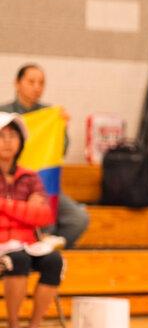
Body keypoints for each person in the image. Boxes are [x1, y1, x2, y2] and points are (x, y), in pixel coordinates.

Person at [3, 64, 90, 247]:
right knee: (37, 219)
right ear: (17, 83)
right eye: (31, 81)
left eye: (41, 83)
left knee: (78, 218)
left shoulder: (50, 113)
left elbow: (60, 152)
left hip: (42, 181)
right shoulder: (4, 114)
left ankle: (46, 246)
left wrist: (62, 129)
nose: (37, 87)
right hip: (11, 181)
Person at [0, 113, 65, 328]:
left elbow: (44, 216)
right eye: (2, 136)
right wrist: (26, 208)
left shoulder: (29, 176)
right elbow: (31, 213)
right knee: (18, 259)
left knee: (53, 261)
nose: (7, 141)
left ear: (21, 142)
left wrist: (4, 205)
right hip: (4, 247)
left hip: (28, 242)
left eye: (13, 136)